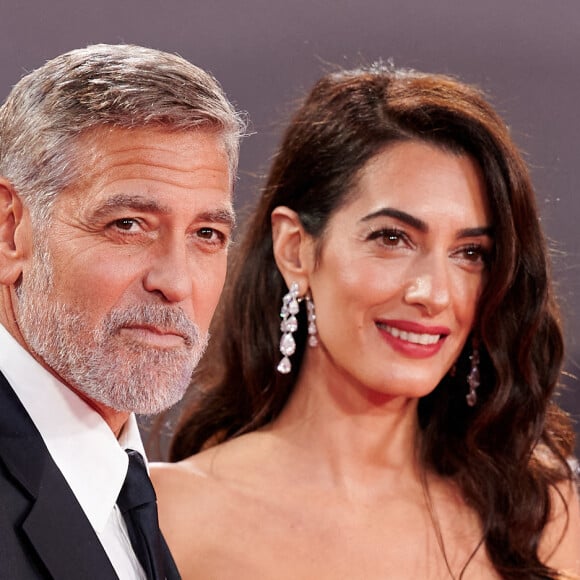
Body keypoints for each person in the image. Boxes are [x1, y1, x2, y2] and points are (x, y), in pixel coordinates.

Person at [151, 64, 580, 579]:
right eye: (392, 239)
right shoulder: (170, 516)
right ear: (296, 250)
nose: (434, 293)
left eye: (470, 253)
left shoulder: (545, 518)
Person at [0, 43, 244, 579]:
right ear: (10, 231)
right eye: (128, 224)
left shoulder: (129, 492)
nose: (175, 282)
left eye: (207, 234)